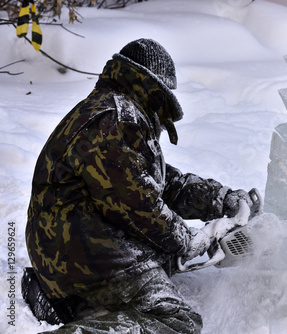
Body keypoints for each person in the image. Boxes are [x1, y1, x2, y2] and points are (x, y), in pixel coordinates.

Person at [25, 38, 253, 333]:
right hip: (80, 249)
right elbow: (139, 205)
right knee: (175, 321)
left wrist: (220, 199)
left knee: (165, 254)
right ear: (155, 89)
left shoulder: (113, 112)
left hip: (69, 246)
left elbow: (164, 184)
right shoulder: (117, 119)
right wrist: (190, 240)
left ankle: (65, 302)